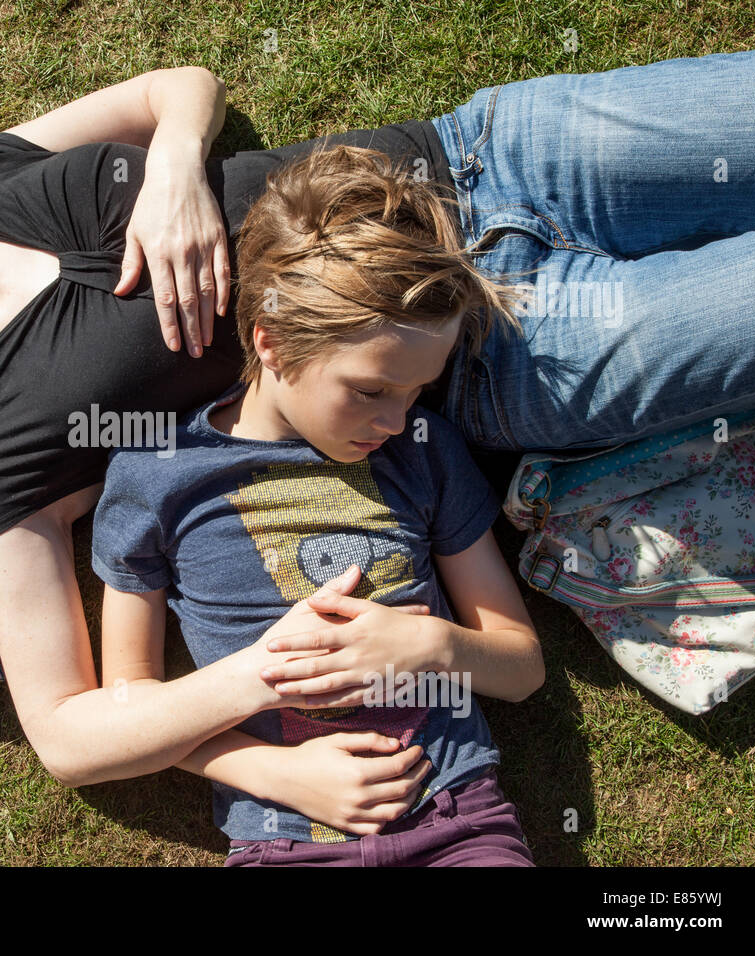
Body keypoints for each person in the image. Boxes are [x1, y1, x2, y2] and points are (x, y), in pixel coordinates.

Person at [0, 51, 755, 834]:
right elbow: (68, 733)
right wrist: (256, 685)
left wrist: (177, 168)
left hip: (479, 153)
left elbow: (174, 86)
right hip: (498, 351)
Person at [90, 142, 544, 865]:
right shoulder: (157, 477)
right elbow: (129, 711)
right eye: (370, 391)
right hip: (283, 838)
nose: (396, 420)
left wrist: (431, 646)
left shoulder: (422, 451)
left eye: (417, 392)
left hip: (456, 814)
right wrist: (275, 773)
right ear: (270, 344)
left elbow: (521, 668)